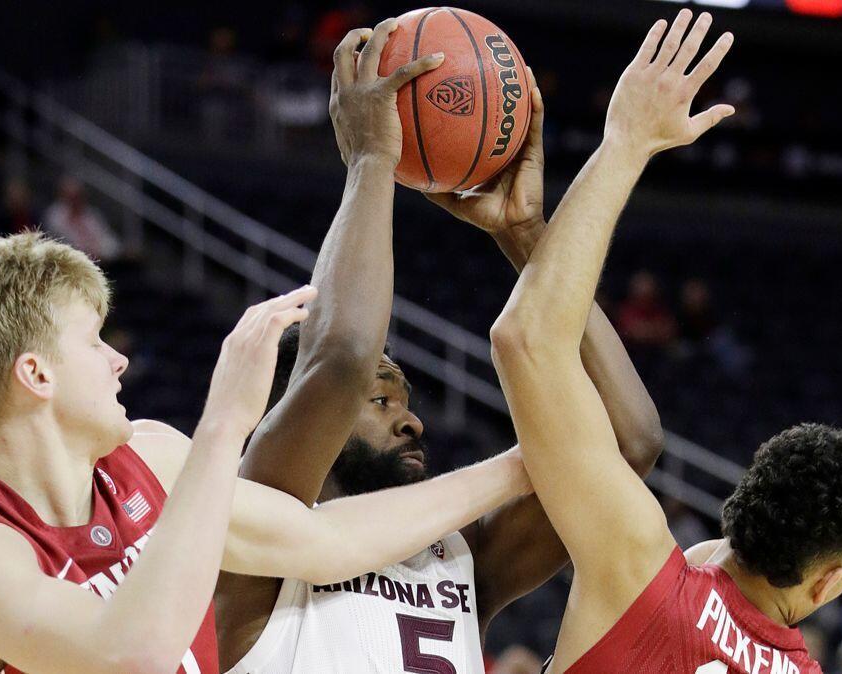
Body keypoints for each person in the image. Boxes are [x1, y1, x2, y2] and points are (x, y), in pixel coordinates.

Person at [0, 189, 529, 672]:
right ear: (36, 374)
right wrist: (225, 423)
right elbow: (130, 657)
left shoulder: (150, 456)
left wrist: (517, 468)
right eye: (93, 342)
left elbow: (323, 540)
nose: (118, 360)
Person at [217, 19, 663, 673]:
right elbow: (341, 360)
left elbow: (631, 444)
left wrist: (527, 236)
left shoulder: (463, 555)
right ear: (280, 417)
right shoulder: (251, 530)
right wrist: (371, 159)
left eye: (402, 400)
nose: (412, 418)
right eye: (382, 398)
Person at [486, 10, 842, 672]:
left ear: (738, 508)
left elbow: (528, 339)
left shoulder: (642, 571)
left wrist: (626, 142)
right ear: (831, 582)